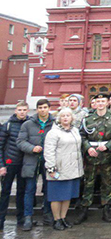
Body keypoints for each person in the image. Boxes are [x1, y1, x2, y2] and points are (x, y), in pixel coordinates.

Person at [75, 93, 111, 224]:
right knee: (88, 183)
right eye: (98, 101)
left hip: (107, 156)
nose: (100, 103)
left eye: (103, 101)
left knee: (107, 184)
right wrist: (88, 147)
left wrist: (108, 146)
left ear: (107, 103)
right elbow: (82, 136)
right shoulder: (88, 119)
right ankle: (84, 210)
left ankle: (106, 210)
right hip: (91, 156)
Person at [43, 108, 84, 230]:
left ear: (72, 118)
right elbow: (49, 151)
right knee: (56, 196)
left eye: (68, 115)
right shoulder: (53, 133)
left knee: (67, 196)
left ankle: (63, 217)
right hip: (59, 168)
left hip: (72, 169)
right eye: (63, 116)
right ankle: (56, 220)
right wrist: (51, 168)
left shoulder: (75, 131)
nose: (65, 118)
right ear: (59, 118)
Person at [17, 98, 54, 230]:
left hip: (48, 161)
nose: (42, 110)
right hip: (31, 161)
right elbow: (20, 141)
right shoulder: (28, 124)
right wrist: (32, 148)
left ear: (49, 108)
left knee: (49, 189)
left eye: (44, 107)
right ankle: (28, 217)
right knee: (29, 190)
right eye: (40, 108)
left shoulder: (54, 123)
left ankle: (47, 214)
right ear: (37, 109)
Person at [0, 102, 30, 229]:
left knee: (21, 192)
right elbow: (0, 146)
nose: (22, 112)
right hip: (9, 163)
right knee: (5, 192)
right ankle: (1, 220)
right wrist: (1, 165)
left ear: (27, 110)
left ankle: (21, 219)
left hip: (24, 163)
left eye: (24, 109)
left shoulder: (30, 124)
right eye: (19, 110)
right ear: (15, 111)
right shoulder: (8, 125)